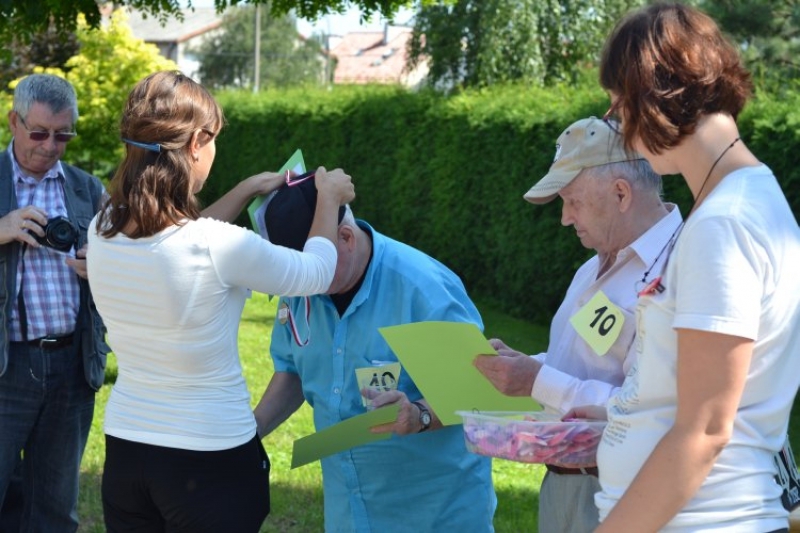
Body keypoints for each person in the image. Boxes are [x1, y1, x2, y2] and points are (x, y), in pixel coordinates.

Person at [85, 71, 354, 532]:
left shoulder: (105, 226)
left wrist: (248, 188)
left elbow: (179, 236)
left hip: (129, 452)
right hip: (209, 458)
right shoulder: (216, 245)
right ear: (196, 142)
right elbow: (315, 273)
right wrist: (328, 200)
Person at [571, 3, 800, 532]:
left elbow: (705, 430)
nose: (622, 132)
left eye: (619, 108)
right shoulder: (743, 201)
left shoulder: (725, 223)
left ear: (657, 93)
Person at [473, 116, 681, 533]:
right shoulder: (592, 267)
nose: (565, 218)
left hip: (627, 494)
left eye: (573, 201)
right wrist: (526, 366)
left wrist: (536, 380)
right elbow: (585, 360)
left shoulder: (681, 270)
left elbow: (655, 407)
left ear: (621, 193)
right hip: (563, 485)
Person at [253, 179, 497, 532]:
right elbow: (293, 371)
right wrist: (249, 434)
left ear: (346, 238)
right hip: (349, 513)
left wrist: (418, 415)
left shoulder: (421, 287)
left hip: (434, 513)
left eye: (313, 268)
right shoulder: (300, 284)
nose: (302, 285)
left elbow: (477, 388)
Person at [0, 73, 108, 532]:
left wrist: (102, 265)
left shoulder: (88, 189)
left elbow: (132, 267)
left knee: (55, 509)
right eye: (39, 132)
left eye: (63, 135)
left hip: (71, 366)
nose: (49, 146)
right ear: (13, 121)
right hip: (6, 367)